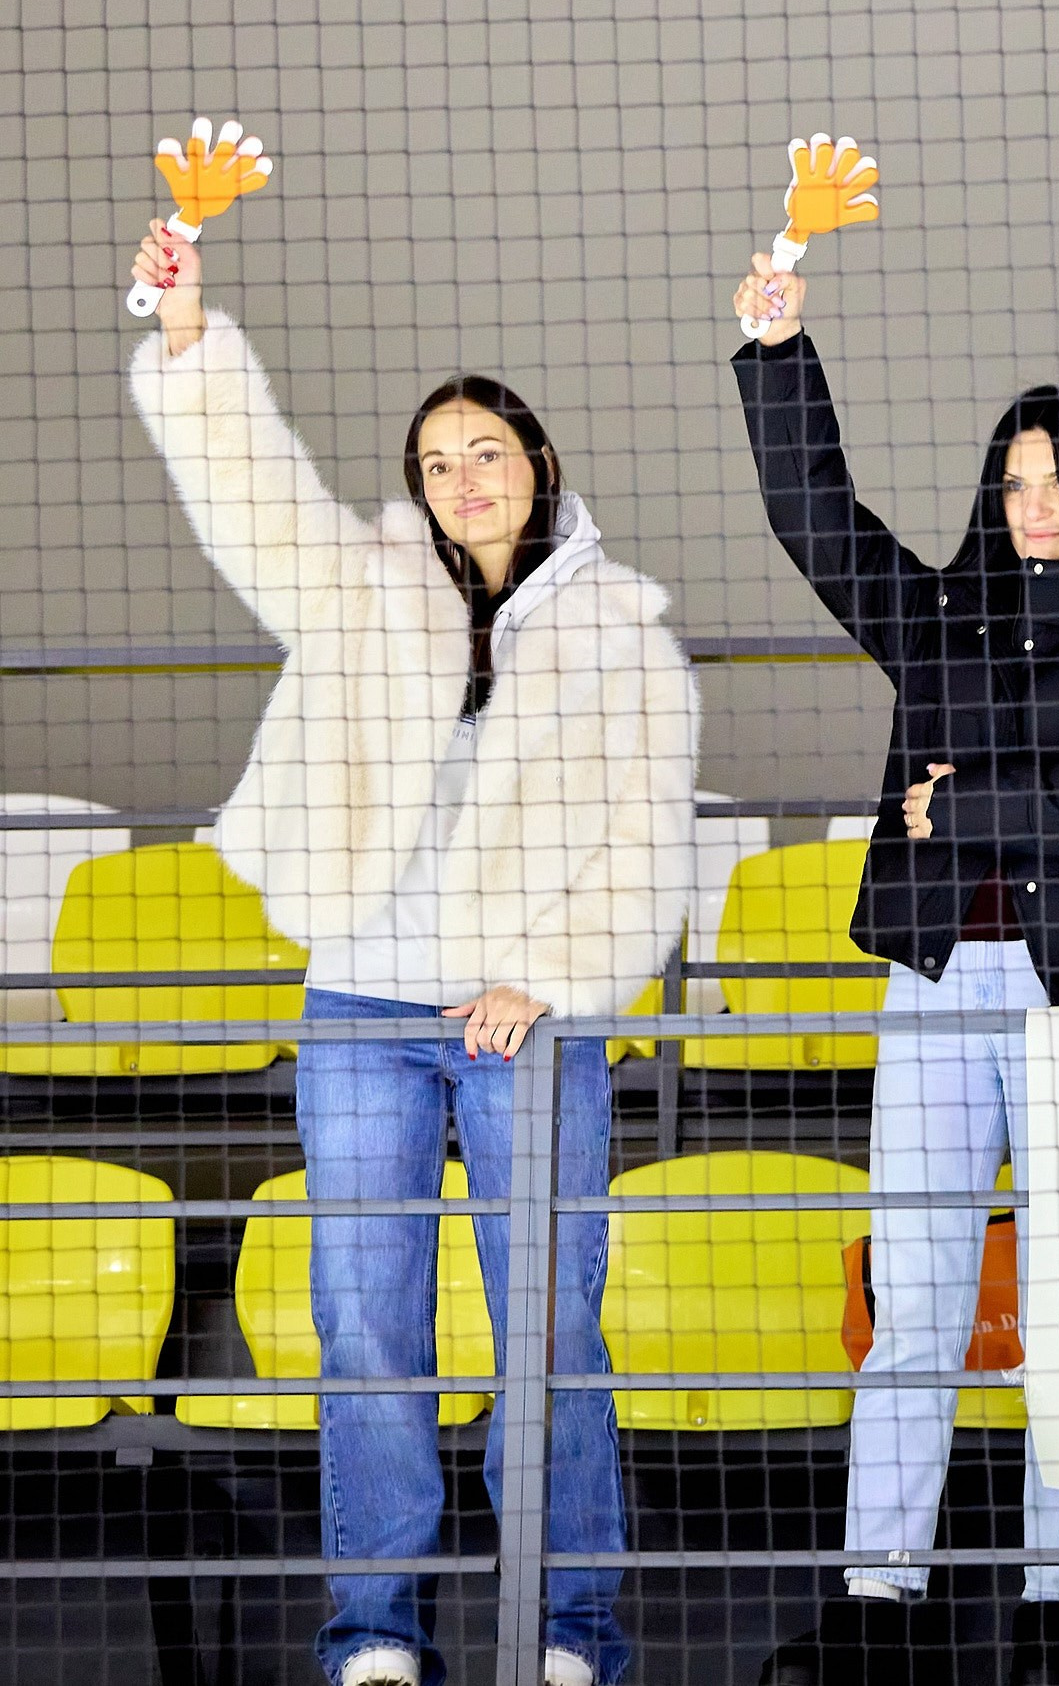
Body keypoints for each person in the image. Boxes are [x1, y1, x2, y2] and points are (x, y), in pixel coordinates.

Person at [128, 221, 700, 1686]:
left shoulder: (627, 635)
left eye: (487, 452)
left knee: (548, 1338)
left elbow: (647, 848)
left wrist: (553, 983)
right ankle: (373, 1635)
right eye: (437, 460)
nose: (463, 477)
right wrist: (191, 335)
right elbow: (254, 502)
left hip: (528, 1020)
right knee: (366, 1330)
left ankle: (569, 1635)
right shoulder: (365, 588)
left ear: (539, 463)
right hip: (364, 1004)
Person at [730, 256, 1059, 1686]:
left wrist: (964, 809)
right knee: (918, 1306)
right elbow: (814, 519)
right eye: (1016, 480)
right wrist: (779, 351)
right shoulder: (939, 618)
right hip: (944, 987)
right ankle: (878, 1602)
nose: (1036, 506)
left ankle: (1054, 1608)